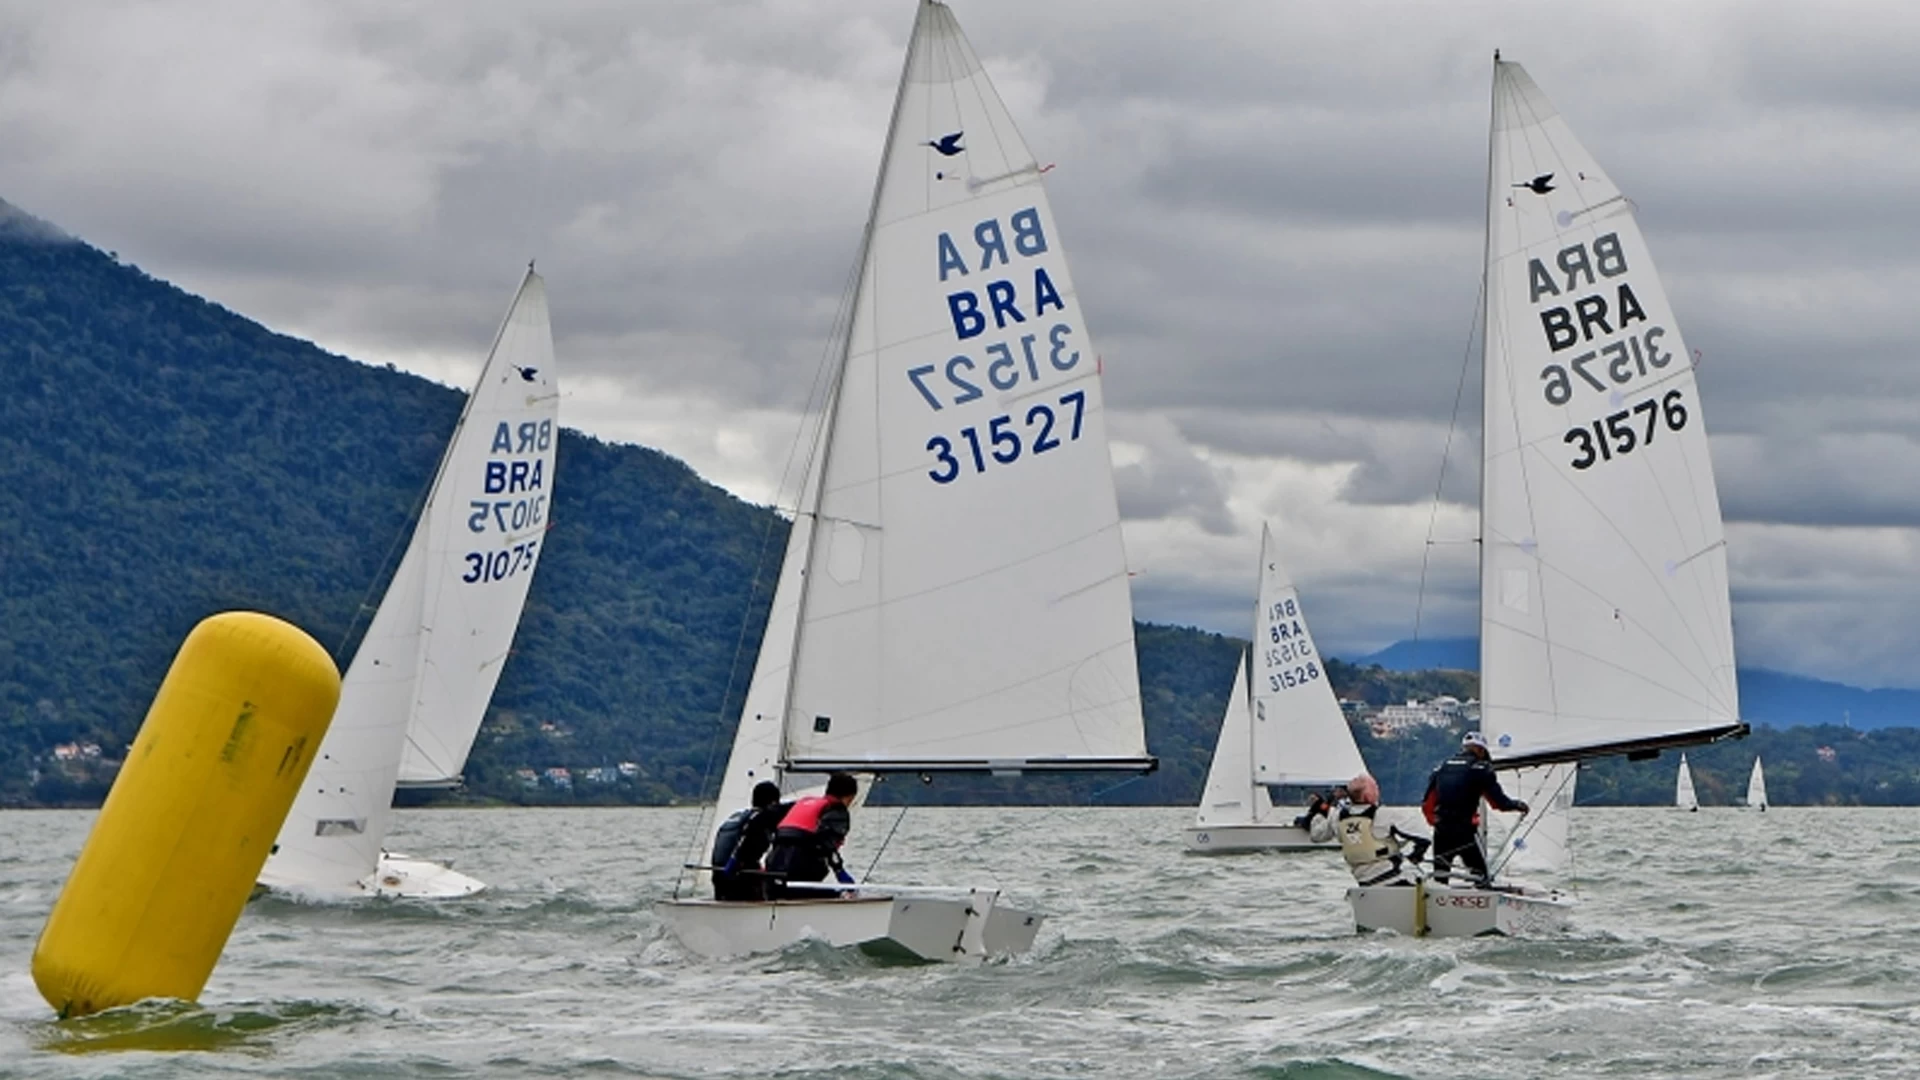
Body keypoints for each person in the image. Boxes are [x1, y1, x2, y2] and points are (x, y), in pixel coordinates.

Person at [1421, 731, 1528, 887]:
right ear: (1481, 750)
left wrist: (1438, 823)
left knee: (1440, 881)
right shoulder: (1481, 768)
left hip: (1441, 832)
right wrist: (1517, 805)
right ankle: (1483, 898)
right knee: (1481, 878)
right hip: (1465, 833)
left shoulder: (1441, 768)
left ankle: (1438, 900)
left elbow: (1427, 805)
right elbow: (1499, 803)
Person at [764, 772, 859, 898]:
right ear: (849, 797)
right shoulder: (837, 811)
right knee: (831, 887)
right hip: (799, 870)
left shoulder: (802, 803)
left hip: (774, 868)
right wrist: (840, 871)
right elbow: (827, 844)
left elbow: (768, 814)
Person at [1336, 773, 1428, 887]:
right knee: (1423, 878)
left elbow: (1320, 834)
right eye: (1375, 787)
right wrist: (1416, 855)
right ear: (1368, 795)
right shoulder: (1382, 814)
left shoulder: (1339, 818)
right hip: (1392, 877)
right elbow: (1423, 838)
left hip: (1363, 881)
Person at [710, 780, 789, 901]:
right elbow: (745, 852)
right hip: (739, 880)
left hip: (718, 877)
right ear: (773, 803)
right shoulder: (762, 819)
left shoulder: (737, 817)